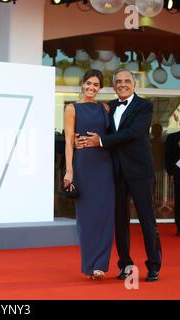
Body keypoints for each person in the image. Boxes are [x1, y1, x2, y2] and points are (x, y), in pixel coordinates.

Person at [78, 68, 162, 282]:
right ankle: (125, 263)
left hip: (140, 172)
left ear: (134, 84)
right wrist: (82, 141)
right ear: (114, 86)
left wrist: (102, 141)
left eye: (127, 81)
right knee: (120, 221)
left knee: (147, 219)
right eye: (118, 81)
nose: (122, 84)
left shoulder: (145, 106)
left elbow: (133, 133)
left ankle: (153, 265)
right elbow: (97, 129)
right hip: (113, 172)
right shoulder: (109, 107)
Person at [63, 69, 114, 280]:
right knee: (86, 218)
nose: (92, 88)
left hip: (104, 165)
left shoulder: (105, 108)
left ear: (100, 88)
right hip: (83, 164)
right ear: (82, 84)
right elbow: (68, 142)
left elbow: (111, 137)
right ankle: (89, 265)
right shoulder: (71, 108)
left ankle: (100, 265)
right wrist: (69, 170)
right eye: (89, 84)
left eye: (96, 85)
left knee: (105, 215)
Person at [165, 114, 180, 236]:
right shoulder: (172, 138)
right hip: (179, 174)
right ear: (179, 123)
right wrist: (170, 173)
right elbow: (168, 156)